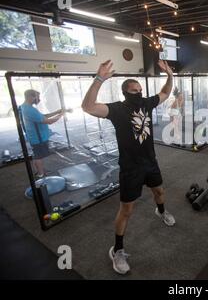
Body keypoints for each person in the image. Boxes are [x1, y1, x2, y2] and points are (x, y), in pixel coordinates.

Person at [81, 59, 175, 275]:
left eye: (140, 89)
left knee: (160, 192)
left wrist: (170, 75)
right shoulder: (117, 109)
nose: (139, 93)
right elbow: (88, 107)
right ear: (126, 92)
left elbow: (165, 93)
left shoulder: (146, 104)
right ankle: (118, 250)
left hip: (151, 163)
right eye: (135, 90)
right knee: (127, 210)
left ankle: (160, 211)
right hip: (131, 168)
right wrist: (99, 80)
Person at [19, 90, 68, 178]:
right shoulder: (29, 110)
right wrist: (61, 114)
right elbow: (48, 121)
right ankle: (41, 174)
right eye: (37, 97)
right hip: (38, 138)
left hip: (35, 136)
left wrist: (57, 112)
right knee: (38, 156)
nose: (39, 100)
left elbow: (43, 116)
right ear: (31, 97)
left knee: (37, 155)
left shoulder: (25, 107)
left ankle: (40, 171)